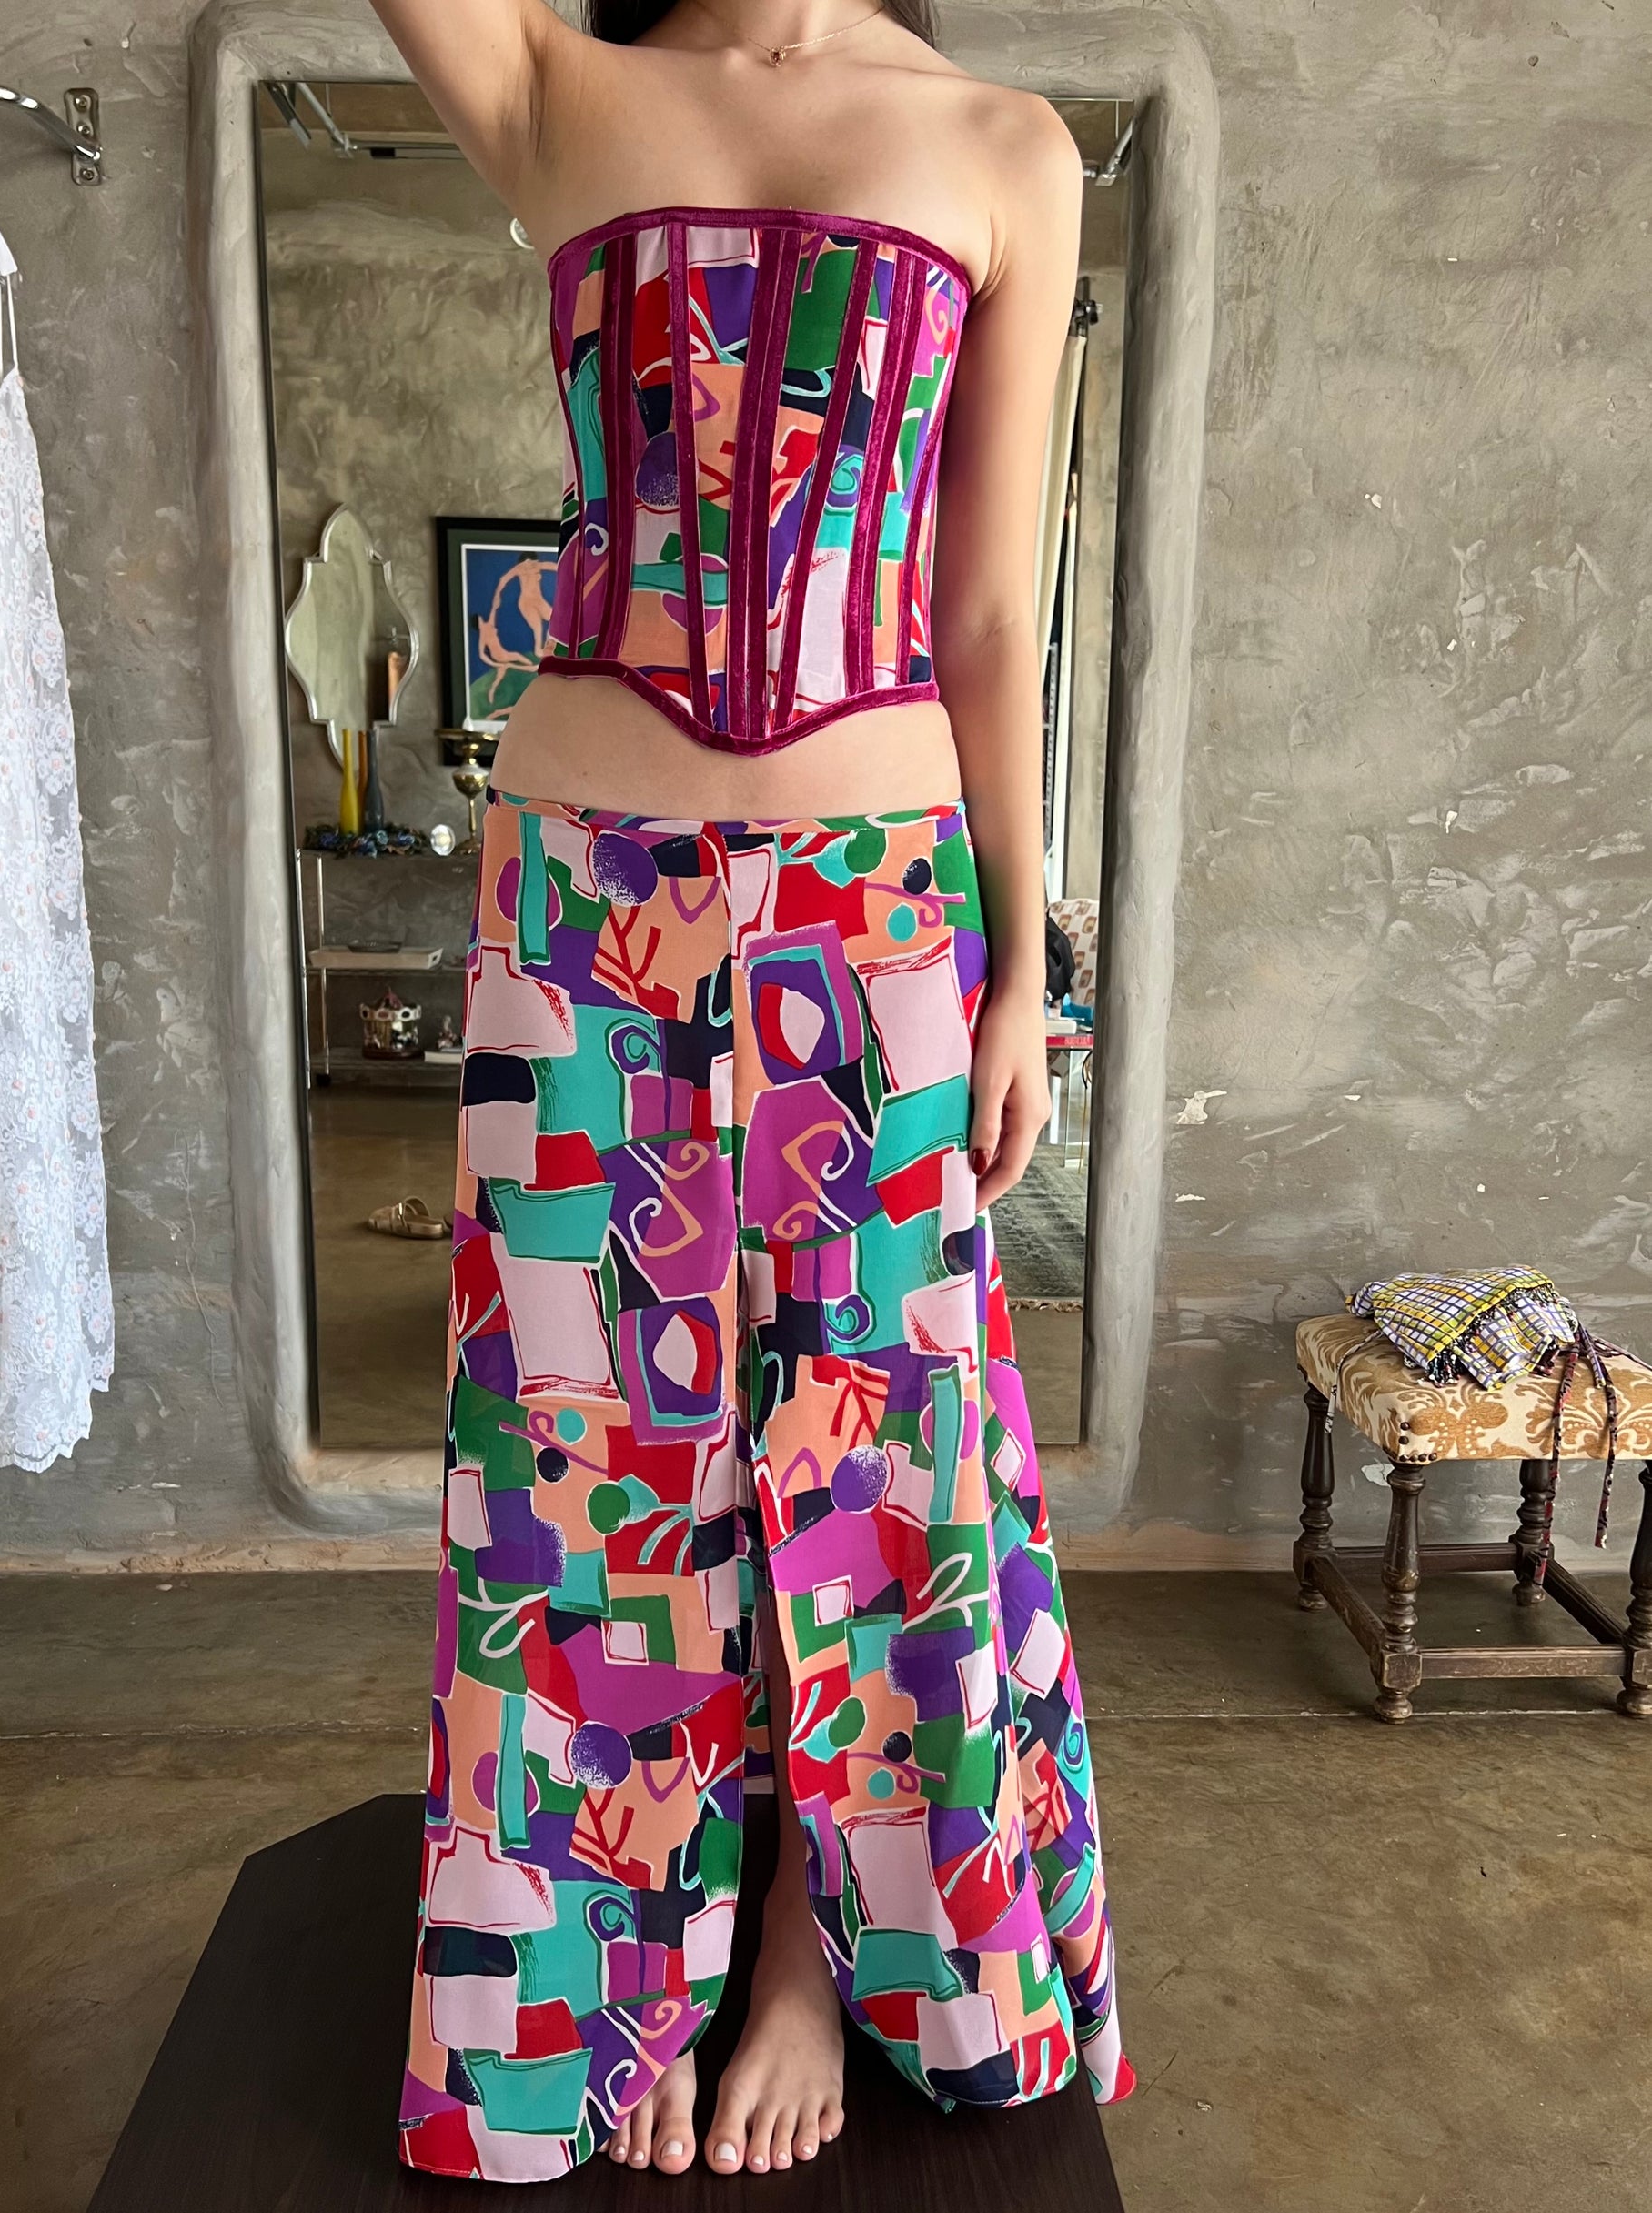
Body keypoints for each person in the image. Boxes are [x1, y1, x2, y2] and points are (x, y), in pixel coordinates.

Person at [368, 0, 1134, 2180]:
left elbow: (985, 614)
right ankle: (599, 1984)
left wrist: (1020, 967)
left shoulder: (1007, 147)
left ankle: (809, 1930)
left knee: (878, 1448)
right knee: (584, 1459)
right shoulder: (553, 82)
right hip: (579, 901)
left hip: (879, 909)